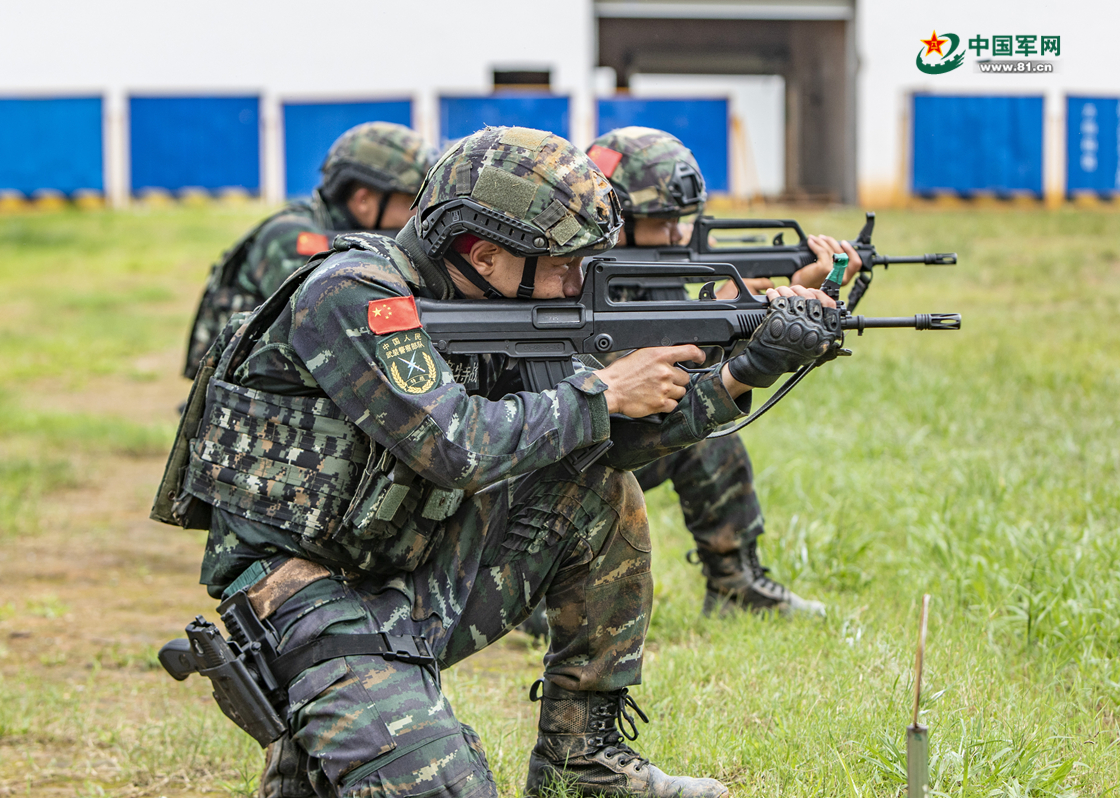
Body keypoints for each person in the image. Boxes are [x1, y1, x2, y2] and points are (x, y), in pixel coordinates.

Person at [153, 126, 843, 798]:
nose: (579, 281)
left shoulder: (496, 299)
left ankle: (583, 760)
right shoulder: (351, 293)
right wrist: (602, 391)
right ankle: (313, 740)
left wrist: (741, 371)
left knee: (596, 487)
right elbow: (453, 444)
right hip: (303, 595)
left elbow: (597, 440)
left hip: (404, 558)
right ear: (485, 255)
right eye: (566, 264)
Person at [579, 126, 863, 619]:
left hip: (598, 451)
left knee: (710, 434)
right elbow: (618, 400)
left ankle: (734, 584)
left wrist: (776, 303)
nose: (676, 236)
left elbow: (682, 391)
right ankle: (552, 590)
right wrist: (723, 324)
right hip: (554, 471)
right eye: (663, 221)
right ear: (613, 219)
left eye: (681, 221)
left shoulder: (634, 276)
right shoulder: (565, 282)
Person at [182, 121, 438, 378]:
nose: (420, 214)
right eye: (412, 201)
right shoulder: (289, 236)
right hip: (242, 385)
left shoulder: (344, 230)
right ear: (363, 200)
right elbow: (324, 325)